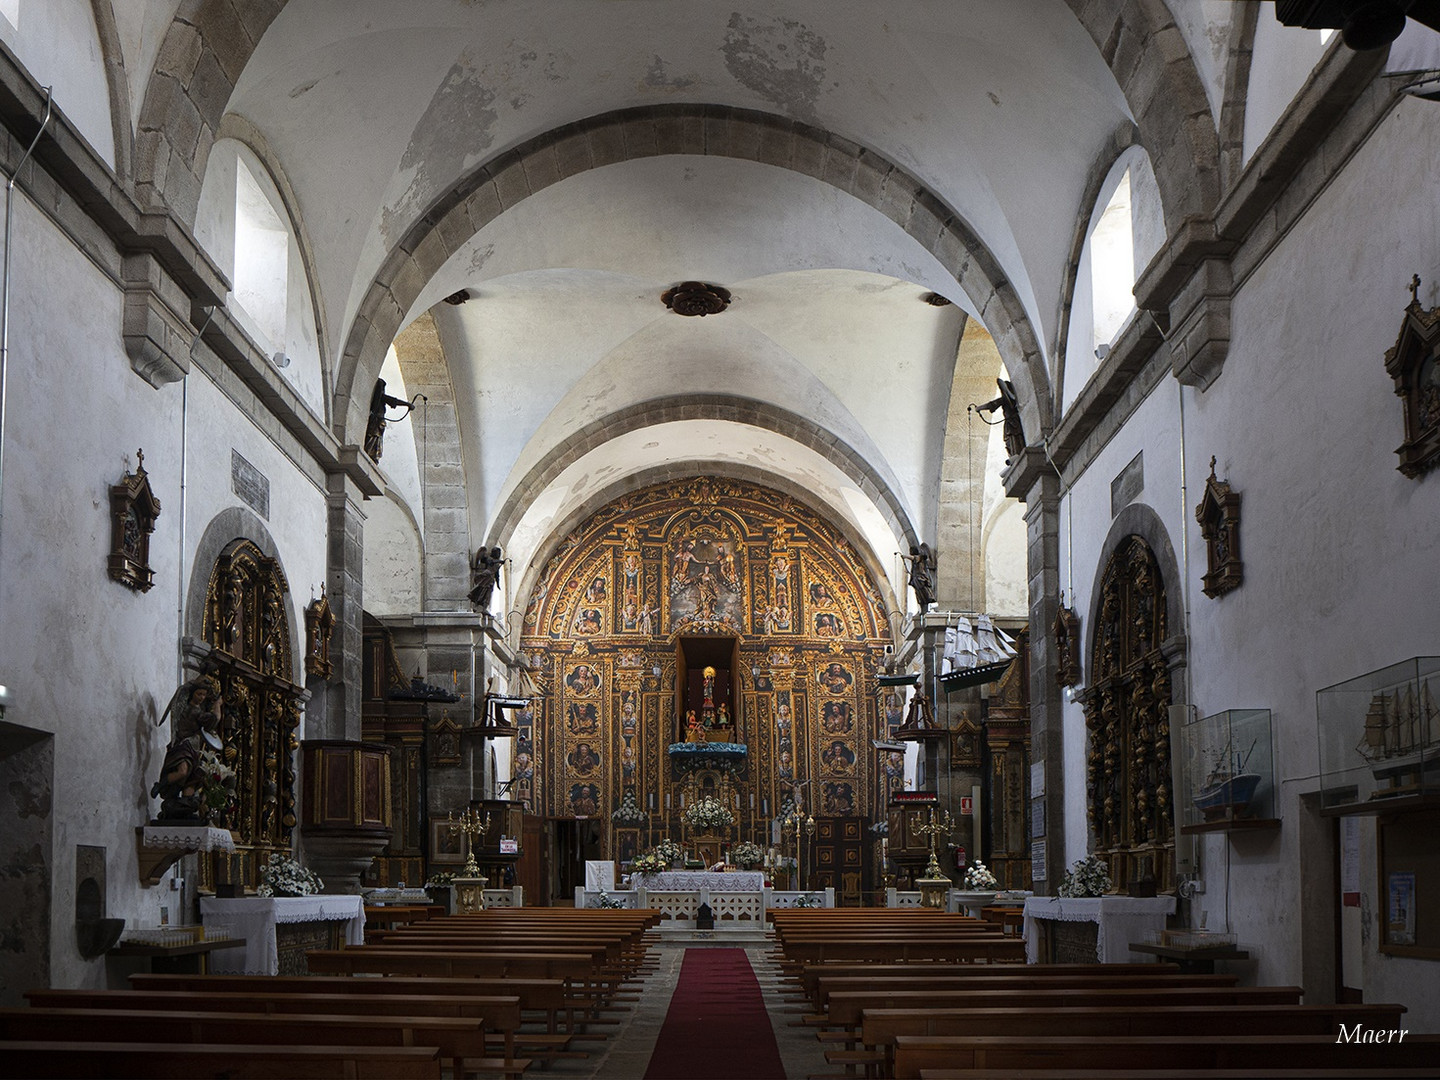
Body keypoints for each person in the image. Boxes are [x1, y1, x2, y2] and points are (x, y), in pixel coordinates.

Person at [150, 675, 224, 821]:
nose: (202, 697)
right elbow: (213, 720)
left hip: (193, 748)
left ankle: (186, 804)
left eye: (204, 694)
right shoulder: (192, 711)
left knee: (194, 778)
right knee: (182, 772)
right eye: (199, 694)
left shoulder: (198, 709)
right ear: (192, 694)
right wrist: (217, 705)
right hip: (183, 746)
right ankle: (160, 785)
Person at [902, 542, 936, 611]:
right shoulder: (917, 561)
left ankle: (928, 600)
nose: (910, 552)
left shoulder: (920, 557)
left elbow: (914, 558)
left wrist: (905, 556)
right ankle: (922, 603)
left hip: (920, 577)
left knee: (923, 590)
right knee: (918, 592)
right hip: (916, 577)